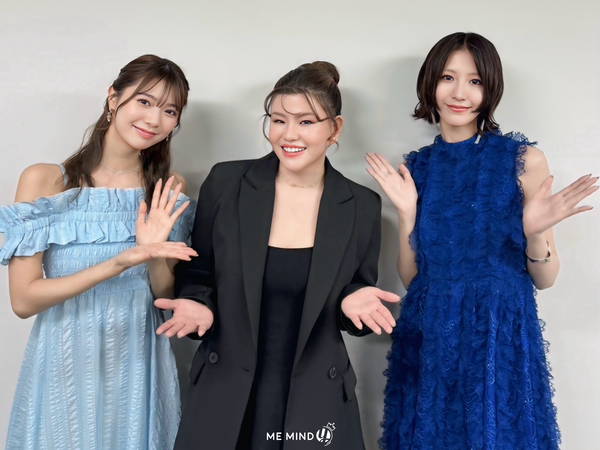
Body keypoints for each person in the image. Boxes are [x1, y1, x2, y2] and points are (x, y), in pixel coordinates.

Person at [367, 32, 598, 450]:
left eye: (475, 81)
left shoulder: (522, 160)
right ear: (430, 83)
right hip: (431, 335)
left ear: (490, 89)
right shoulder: (416, 168)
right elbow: (413, 278)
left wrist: (534, 233)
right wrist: (406, 214)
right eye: (448, 78)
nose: (460, 93)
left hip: (498, 334)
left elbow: (546, 278)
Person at [155, 61, 400, 450]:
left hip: (316, 400)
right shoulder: (227, 183)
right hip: (227, 392)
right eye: (278, 120)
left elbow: (356, 294)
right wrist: (196, 303)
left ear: (334, 129)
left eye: (306, 122)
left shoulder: (361, 205)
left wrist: (354, 299)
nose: (289, 134)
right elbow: (198, 274)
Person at [0, 55, 196, 450]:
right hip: (65, 357)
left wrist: (152, 252)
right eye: (144, 101)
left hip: (138, 355)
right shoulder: (45, 180)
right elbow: (23, 300)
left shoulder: (167, 187)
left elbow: (166, 296)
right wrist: (120, 261)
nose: (154, 119)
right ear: (113, 98)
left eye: (169, 110)